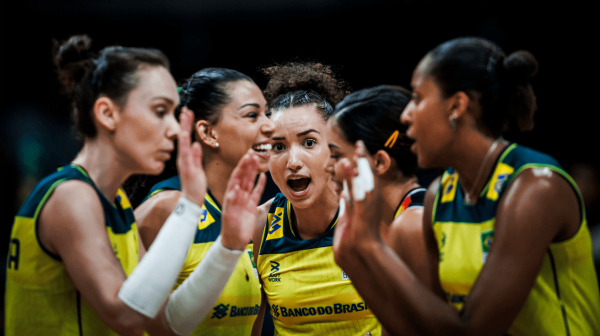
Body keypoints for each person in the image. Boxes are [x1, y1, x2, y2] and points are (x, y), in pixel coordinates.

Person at [333, 37, 600, 335]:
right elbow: (427, 329)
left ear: (457, 105)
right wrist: (352, 257)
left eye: (418, 98)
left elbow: (472, 331)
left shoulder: (535, 188)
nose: (406, 115)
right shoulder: (439, 195)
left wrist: (371, 247)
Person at [5, 35, 264, 336]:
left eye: (173, 112)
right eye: (159, 111)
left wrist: (228, 248)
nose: (172, 128)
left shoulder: (118, 204)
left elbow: (168, 324)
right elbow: (126, 318)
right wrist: (190, 208)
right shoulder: (71, 197)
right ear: (107, 114)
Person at [134, 67, 274, 335]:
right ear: (208, 133)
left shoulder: (248, 219)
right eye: (252, 115)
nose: (270, 125)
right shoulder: (165, 210)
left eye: (266, 113)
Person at [252, 62, 381, 335]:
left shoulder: (378, 217)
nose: (293, 161)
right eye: (278, 147)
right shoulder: (257, 227)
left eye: (309, 142)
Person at [324, 85, 428, 281]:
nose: (326, 166)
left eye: (336, 156)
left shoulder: (412, 226)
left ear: (379, 162)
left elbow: (429, 313)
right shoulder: (389, 222)